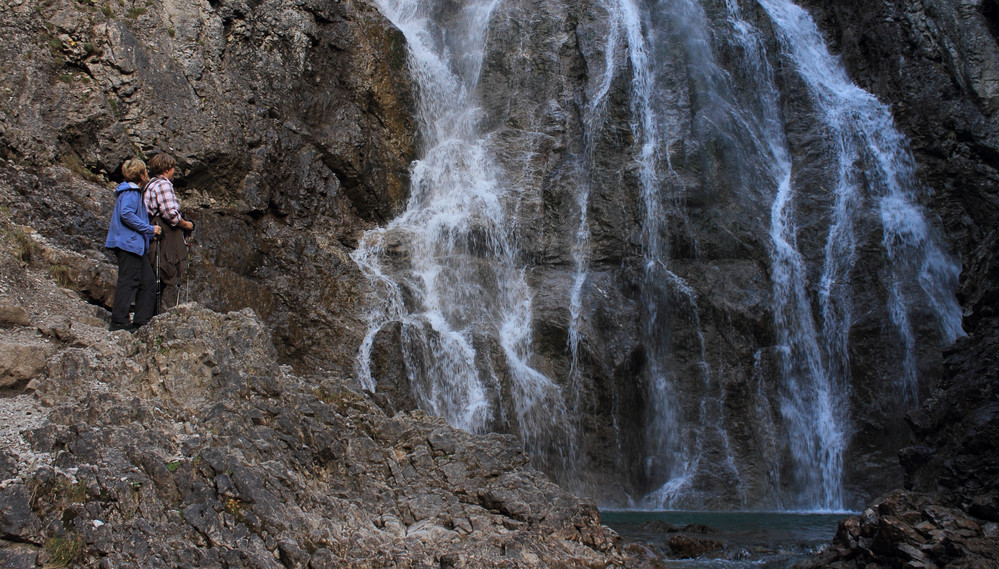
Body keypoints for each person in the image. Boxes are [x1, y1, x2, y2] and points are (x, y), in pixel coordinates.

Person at [105, 158, 161, 331]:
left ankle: (140, 322)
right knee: (128, 281)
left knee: (148, 282)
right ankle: (119, 322)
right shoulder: (131, 192)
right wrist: (150, 229)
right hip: (127, 244)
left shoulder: (129, 192)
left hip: (132, 245)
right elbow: (126, 214)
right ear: (143, 175)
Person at [143, 153, 195, 311]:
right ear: (166, 169)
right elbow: (169, 212)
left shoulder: (150, 184)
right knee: (164, 268)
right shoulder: (163, 185)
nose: (174, 172)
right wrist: (186, 225)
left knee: (156, 270)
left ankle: (148, 313)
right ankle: (151, 314)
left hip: (153, 231)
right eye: (173, 168)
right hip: (164, 233)